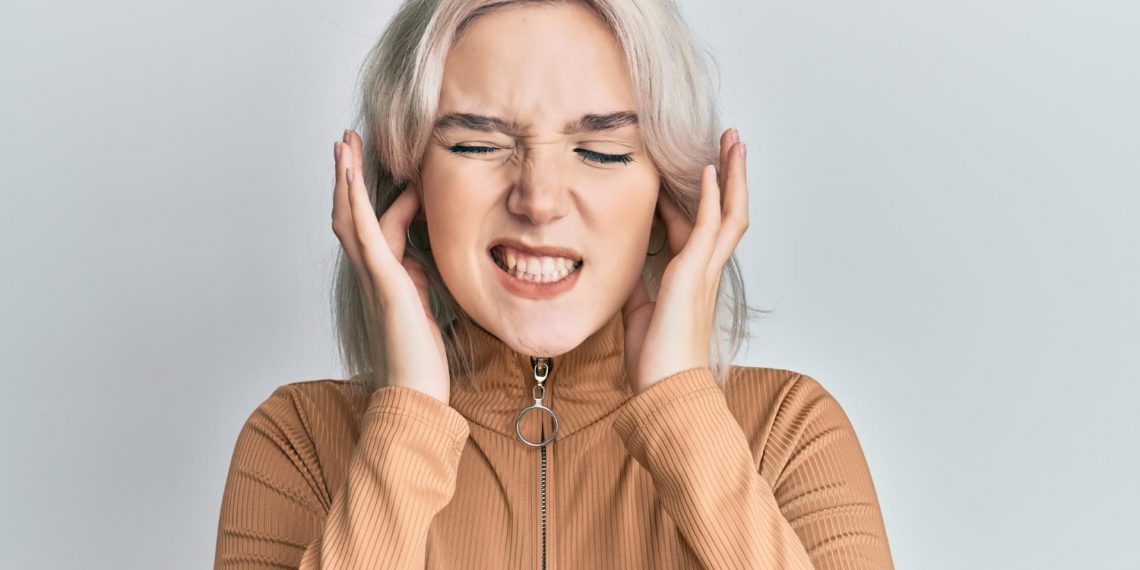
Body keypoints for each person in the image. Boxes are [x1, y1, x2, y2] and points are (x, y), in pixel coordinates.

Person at [214, 0, 895, 568]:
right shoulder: (298, 441)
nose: (539, 200)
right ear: (409, 182)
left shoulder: (788, 431)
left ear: (670, 191)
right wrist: (408, 423)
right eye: (479, 144)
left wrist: (684, 415)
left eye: (600, 150)